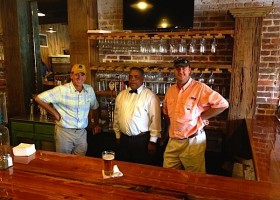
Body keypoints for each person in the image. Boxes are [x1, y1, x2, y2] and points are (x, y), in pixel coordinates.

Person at [162, 58, 229, 173]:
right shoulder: (170, 90)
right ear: (174, 71)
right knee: (168, 175)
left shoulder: (199, 88)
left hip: (192, 141)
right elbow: (166, 112)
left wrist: (201, 118)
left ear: (189, 70)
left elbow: (223, 104)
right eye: (178, 68)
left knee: (195, 178)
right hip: (173, 141)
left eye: (184, 68)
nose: (181, 71)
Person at [35, 64, 101, 155]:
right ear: (71, 75)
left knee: (80, 163)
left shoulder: (89, 90)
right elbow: (39, 98)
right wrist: (55, 114)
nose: (79, 77)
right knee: (64, 163)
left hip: (81, 134)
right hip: (64, 133)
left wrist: (96, 124)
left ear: (85, 76)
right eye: (77, 74)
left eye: (82, 74)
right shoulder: (62, 90)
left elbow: (95, 106)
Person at [113, 67, 162, 165]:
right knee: (124, 168)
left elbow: (155, 120)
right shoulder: (121, 95)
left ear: (143, 79)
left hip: (142, 141)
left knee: (142, 170)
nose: (132, 79)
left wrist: (152, 141)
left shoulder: (150, 96)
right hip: (124, 140)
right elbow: (117, 116)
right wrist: (117, 135)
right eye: (130, 76)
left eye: (136, 77)